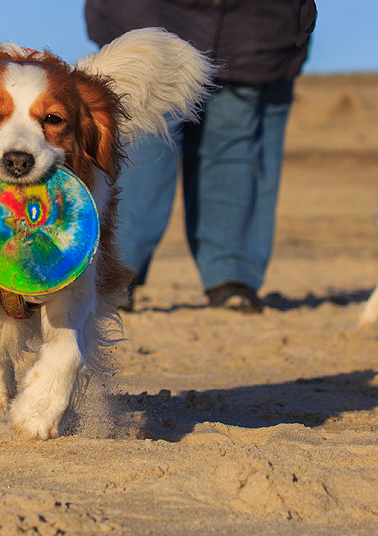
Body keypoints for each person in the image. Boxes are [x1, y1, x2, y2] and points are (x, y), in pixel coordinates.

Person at [85, 0, 317, 313]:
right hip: (152, 17)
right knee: (142, 129)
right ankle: (112, 271)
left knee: (236, 136)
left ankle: (232, 275)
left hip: (255, 27)